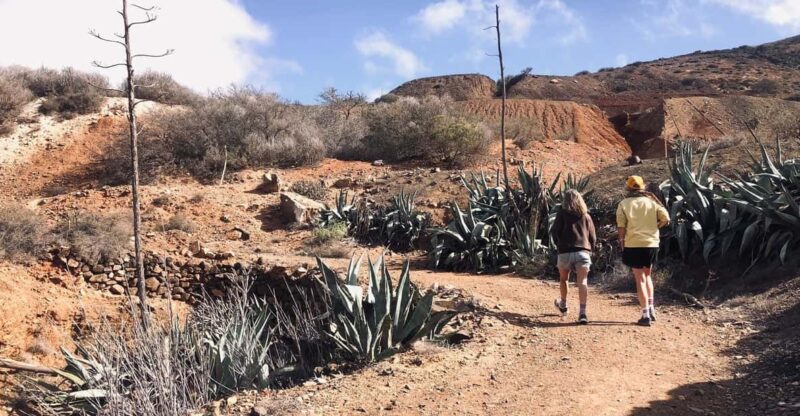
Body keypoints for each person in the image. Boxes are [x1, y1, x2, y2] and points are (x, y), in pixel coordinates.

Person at [616, 175, 670, 326]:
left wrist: (622, 242)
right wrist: (655, 228)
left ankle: (645, 314)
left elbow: (621, 226)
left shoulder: (624, 204)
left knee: (639, 278)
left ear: (628, 188)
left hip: (633, 244)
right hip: (651, 244)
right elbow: (666, 218)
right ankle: (651, 309)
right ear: (642, 187)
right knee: (647, 276)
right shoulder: (651, 201)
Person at [552, 189, 596, 324]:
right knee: (582, 282)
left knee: (564, 279)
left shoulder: (561, 214)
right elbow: (593, 237)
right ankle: (582, 313)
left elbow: (554, 232)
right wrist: (590, 249)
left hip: (564, 252)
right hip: (582, 252)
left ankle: (563, 305)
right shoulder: (586, 216)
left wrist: (559, 245)